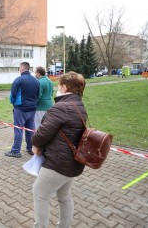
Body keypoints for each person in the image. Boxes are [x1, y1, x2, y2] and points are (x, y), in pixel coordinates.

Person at [31, 71, 88, 228]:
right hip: (72, 161)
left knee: (39, 192)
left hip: (58, 162)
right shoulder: (79, 105)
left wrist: (35, 143)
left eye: (58, 86)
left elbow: (42, 134)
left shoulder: (61, 107)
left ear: (64, 87)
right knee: (64, 196)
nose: (57, 88)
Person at [5, 62, 39, 158]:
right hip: (32, 108)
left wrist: (13, 103)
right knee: (30, 129)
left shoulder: (18, 80)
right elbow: (38, 94)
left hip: (21, 109)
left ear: (22, 69)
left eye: (19, 68)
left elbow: (13, 95)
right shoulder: (36, 81)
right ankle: (30, 148)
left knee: (18, 129)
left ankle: (15, 151)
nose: (19, 70)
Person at [34, 66, 54, 130]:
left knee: (38, 125)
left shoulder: (39, 82)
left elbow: (38, 96)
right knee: (47, 125)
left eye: (35, 73)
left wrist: (33, 103)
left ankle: (38, 139)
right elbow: (51, 93)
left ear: (38, 73)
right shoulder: (50, 81)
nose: (35, 74)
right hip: (49, 105)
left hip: (40, 107)